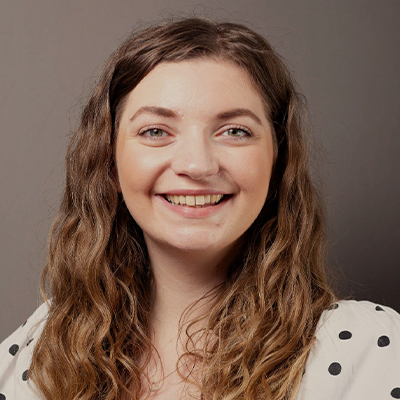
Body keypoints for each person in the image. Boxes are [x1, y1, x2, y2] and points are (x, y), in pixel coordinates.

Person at [0, 16, 399, 400]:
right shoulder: (37, 352)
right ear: (109, 163)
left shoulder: (370, 351)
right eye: (155, 131)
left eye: (235, 131)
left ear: (279, 161)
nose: (197, 165)